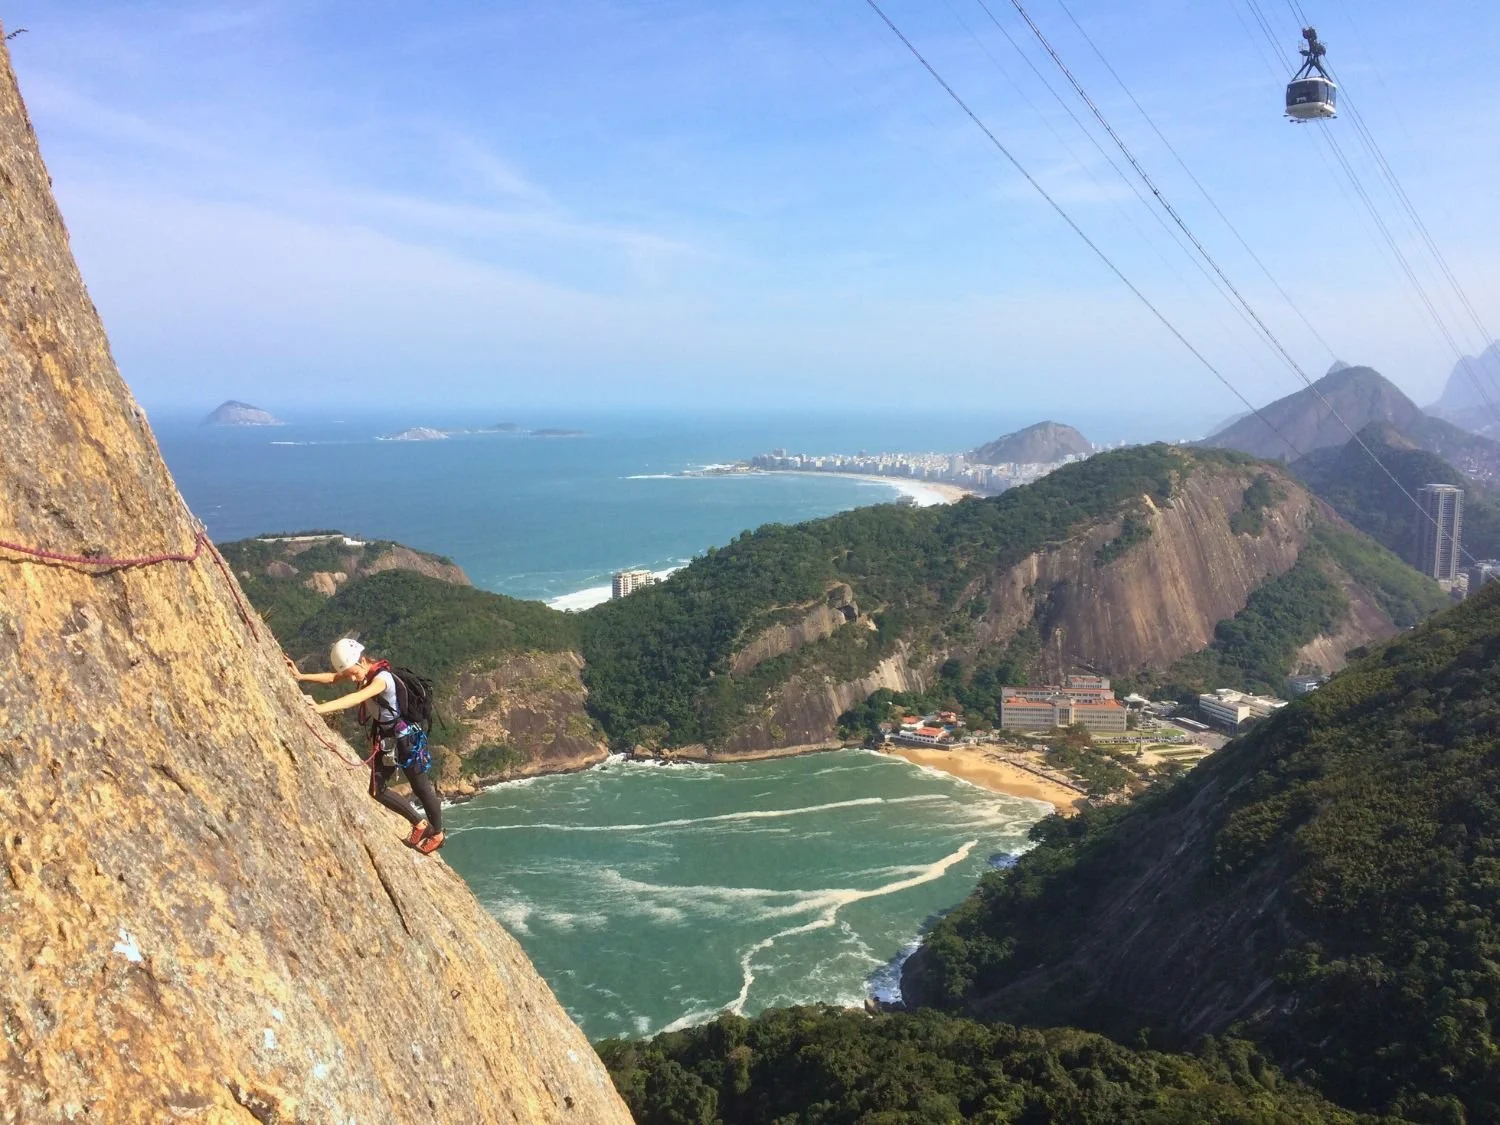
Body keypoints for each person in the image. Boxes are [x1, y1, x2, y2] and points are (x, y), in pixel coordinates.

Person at [292, 638, 445, 854]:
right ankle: (419, 824)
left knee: (421, 788)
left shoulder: (381, 679)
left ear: (362, 660)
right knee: (377, 790)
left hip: (406, 740)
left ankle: (437, 833)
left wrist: (320, 708)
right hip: (388, 739)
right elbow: (334, 678)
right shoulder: (365, 674)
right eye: (351, 674)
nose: (353, 677)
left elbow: (357, 698)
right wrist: (300, 676)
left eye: (354, 672)